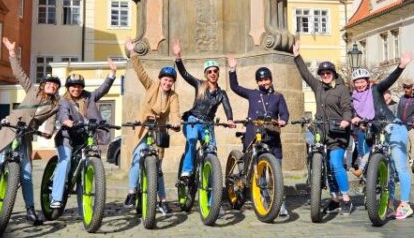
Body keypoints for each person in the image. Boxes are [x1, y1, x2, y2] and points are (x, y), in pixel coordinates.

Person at [0, 38, 59, 226]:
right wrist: (12, 53)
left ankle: (30, 211)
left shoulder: (54, 106)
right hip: (11, 128)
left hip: (25, 136)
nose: (52, 86)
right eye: (49, 83)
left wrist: (48, 133)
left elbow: (50, 122)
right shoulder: (32, 90)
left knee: (26, 174)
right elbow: (19, 73)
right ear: (43, 85)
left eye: (55, 85)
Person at [292, 40, 355, 216]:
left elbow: (347, 108)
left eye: (328, 73)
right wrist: (297, 56)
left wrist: (346, 120)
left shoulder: (342, 89)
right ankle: (334, 199)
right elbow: (305, 74)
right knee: (326, 166)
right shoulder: (318, 87)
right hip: (321, 131)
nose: (325, 75)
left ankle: (346, 199)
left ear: (333, 74)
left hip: (338, 132)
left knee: (335, 164)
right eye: (323, 73)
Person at [226, 55, 291, 216]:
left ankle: (280, 203)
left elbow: (284, 113)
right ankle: (263, 198)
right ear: (257, 82)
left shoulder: (278, 96)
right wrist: (232, 70)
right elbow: (235, 87)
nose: (264, 83)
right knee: (258, 172)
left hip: (272, 138)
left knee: (277, 174)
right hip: (254, 137)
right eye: (261, 81)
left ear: (271, 79)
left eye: (266, 80)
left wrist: (282, 120)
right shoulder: (253, 94)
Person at [124, 40, 181, 215]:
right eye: (165, 79)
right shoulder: (151, 86)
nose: (167, 83)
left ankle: (162, 201)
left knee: (157, 168)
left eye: (170, 80)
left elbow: (175, 112)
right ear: (160, 80)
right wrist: (133, 52)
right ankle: (132, 192)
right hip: (143, 128)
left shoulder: (173, 96)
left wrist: (176, 122)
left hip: (159, 131)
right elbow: (140, 72)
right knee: (136, 157)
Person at [50, 61, 117, 209]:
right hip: (67, 137)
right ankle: (55, 197)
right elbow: (62, 114)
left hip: (84, 137)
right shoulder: (64, 101)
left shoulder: (88, 97)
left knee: (84, 167)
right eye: (73, 86)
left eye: (79, 86)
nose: (76, 89)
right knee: (65, 161)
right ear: (68, 87)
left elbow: (102, 90)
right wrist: (66, 121)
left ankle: (84, 209)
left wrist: (112, 74)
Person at [360, 52, 414, 220]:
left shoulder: (376, 90)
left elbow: (388, 80)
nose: (360, 85)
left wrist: (401, 66)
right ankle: (390, 204)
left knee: (400, 167)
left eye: (362, 81)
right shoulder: (357, 99)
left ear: (368, 82)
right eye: (357, 82)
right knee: (387, 170)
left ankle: (405, 204)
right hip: (379, 133)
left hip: (394, 128)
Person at [172, 40, 234, 181]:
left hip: (208, 125)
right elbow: (185, 74)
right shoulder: (200, 85)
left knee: (211, 150)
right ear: (206, 74)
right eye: (209, 72)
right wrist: (178, 57)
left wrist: (230, 119)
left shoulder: (221, 93)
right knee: (192, 139)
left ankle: (212, 191)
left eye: (215, 71)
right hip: (193, 121)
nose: (212, 74)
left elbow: (227, 107)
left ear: (218, 73)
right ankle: (187, 171)